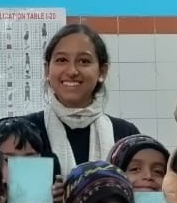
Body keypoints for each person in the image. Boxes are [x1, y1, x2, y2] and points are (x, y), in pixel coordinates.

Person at [21, 24, 139, 171]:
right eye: (62, 60)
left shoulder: (126, 135)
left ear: (102, 72)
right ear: (47, 70)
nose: (72, 71)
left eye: (84, 61)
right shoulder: (22, 132)